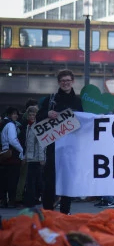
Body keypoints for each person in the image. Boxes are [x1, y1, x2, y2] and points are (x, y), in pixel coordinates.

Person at [36, 70, 83, 214]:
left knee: (67, 180)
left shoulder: (79, 101)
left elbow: (87, 120)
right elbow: (38, 117)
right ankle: (48, 211)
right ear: (59, 82)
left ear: (73, 81)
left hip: (71, 148)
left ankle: (65, 212)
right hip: (53, 147)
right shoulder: (51, 99)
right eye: (63, 81)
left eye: (68, 80)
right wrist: (47, 114)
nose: (65, 83)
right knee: (49, 181)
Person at [21, 106, 45, 209]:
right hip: (31, 157)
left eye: (33, 114)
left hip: (36, 158)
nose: (31, 116)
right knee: (32, 181)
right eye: (30, 114)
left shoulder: (38, 126)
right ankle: (32, 201)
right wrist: (26, 156)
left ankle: (36, 200)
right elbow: (28, 144)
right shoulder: (28, 126)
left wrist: (41, 158)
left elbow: (40, 143)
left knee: (36, 181)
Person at [1, 107, 24, 208]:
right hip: (12, 155)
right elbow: (13, 140)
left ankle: (3, 200)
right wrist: (21, 150)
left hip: (4, 155)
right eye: (14, 114)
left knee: (4, 179)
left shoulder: (3, 124)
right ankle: (12, 201)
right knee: (13, 179)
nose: (16, 116)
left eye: (16, 114)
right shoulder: (11, 125)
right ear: (9, 115)